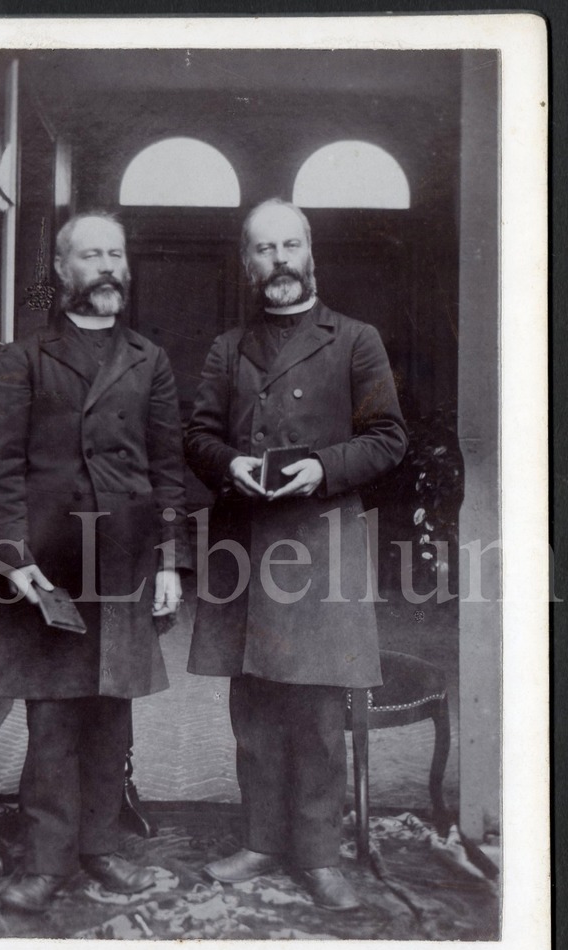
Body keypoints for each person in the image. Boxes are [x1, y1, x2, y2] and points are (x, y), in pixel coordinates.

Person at [184, 199, 407, 911]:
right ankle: (259, 840)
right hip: (243, 543)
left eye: (289, 245)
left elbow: (388, 438)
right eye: (262, 249)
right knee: (251, 700)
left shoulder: (355, 339)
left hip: (319, 541)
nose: (277, 260)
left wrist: (321, 467)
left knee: (314, 707)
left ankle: (316, 853)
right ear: (246, 261)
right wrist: (228, 467)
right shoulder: (227, 348)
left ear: (310, 252)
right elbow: (196, 437)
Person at [0, 211, 190, 912]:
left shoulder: (148, 358)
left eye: (115, 254)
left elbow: (168, 468)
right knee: (51, 717)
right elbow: (3, 467)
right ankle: (44, 861)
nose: (106, 266)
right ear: (63, 270)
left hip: (127, 558)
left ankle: (99, 847)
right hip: (49, 563)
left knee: (110, 710)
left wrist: (168, 560)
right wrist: (13, 559)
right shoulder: (25, 357)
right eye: (90, 255)